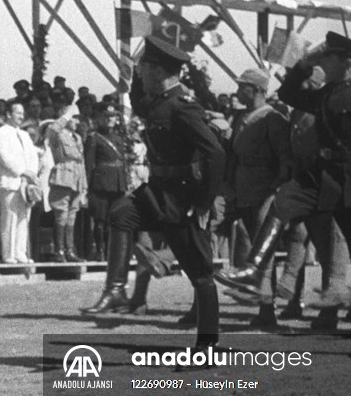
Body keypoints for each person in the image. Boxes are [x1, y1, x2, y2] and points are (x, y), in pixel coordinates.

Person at [216, 32, 351, 357]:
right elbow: (288, 92)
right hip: (321, 178)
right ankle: (251, 269)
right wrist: (305, 61)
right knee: (282, 202)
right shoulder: (326, 93)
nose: (323, 64)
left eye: (328, 59)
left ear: (347, 63)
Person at [82, 37, 225, 352]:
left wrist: (203, 202)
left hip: (182, 198)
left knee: (201, 276)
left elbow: (215, 153)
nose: (142, 71)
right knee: (120, 215)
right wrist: (131, 72)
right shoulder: (160, 102)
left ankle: (207, 347)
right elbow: (138, 102)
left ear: (161, 70)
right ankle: (117, 287)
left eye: (146, 66)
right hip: (157, 191)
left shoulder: (183, 107)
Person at [222, 68, 291, 328]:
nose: (238, 91)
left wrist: (276, 188)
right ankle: (259, 300)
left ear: (259, 90)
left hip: (264, 191)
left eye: (244, 87)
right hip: (242, 189)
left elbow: (284, 157)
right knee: (251, 246)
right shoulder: (240, 117)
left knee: (265, 252)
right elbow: (233, 155)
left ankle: (267, 309)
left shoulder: (273, 118)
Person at [0, 101, 40, 264]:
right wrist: (22, 171)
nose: (20, 116)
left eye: (22, 113)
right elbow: (5, 157)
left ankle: (20, 252)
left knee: (23, 218)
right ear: (8, 114)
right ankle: (9, 253)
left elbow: (33, 156)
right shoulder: (0, 133)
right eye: (17, 113)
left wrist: (31, 174)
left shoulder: (25, 135)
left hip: (26, 183)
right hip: (10, 181)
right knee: (9, 217)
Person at [84, 107, 128, 262]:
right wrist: (87, 187)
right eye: (107, 116)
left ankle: (111, 251)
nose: (110, 119)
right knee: (100, 220)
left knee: (114, 220)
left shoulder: (118, 138)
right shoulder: (94, 137)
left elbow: (123, 162)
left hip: (117, 183)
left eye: (113, 116)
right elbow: (89, 164)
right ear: (100, 119)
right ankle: (100, 251)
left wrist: (124, 183)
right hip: (101, 184)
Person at [45, 104, 87, 261]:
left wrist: (84, 186)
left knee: (72, 215)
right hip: (63, 177)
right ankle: (59, 251)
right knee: (61, 215)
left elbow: (81, 161)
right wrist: (66, 115)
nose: (76, 121)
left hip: (76, 179)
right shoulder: (58, 134)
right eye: (73, 118)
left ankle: (70, 250)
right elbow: (53, 129)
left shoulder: (77, 137)